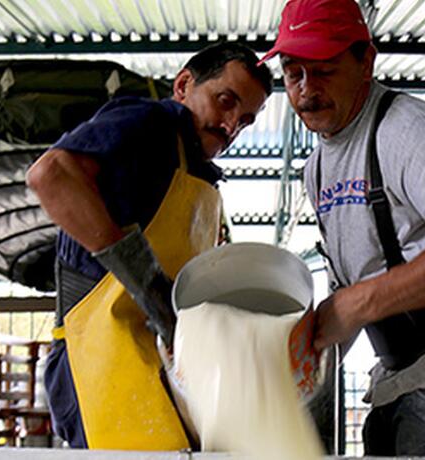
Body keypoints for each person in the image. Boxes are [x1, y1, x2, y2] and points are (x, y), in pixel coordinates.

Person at [261, 0, 425, 458]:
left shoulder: (407, 129)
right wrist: (290, 372)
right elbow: (352, 285)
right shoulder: (317, 168)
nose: (306, 92)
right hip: (397, 375)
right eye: (293, 73)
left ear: (366, 60)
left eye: (323, 70)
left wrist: (355, 302)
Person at [25, 43, 272, 451]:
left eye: (245, 120)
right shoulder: (149, 124)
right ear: (183, 85)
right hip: (100, 359)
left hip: (159, 361)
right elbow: (51, 174)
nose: (231, 125)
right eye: (224, 101)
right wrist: (147, 282)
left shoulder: (202, 178)